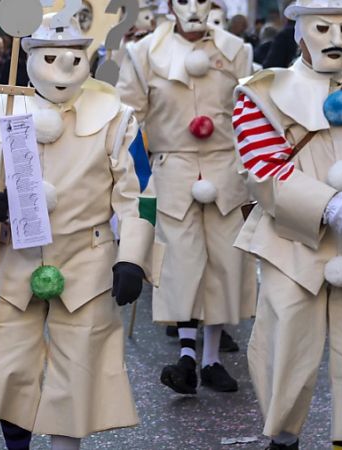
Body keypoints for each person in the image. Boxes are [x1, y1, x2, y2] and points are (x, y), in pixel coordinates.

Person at [0, 11, 155, 449]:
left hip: (88, 261)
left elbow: (138, 194)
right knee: (9, 369)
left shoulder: (117, 118)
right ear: (28, 57)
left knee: (78, 370)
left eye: (74, 56)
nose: (62, 67)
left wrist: (132, 258)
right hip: (14, 258)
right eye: (49, 56)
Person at [233, 0, 342, 447]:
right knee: (284, 363)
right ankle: (283, 441)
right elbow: (261, 171)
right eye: (323, 27)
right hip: (293, 246)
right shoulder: (260, 93)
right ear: (300, 31)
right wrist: (324, 205)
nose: (336, 38)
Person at [117, 0, 256, 395]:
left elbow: (254, 112)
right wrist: (128, 173)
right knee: (180, 264)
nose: (194, 7)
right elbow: (126, 118)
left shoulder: (236, 50)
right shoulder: (143, 53)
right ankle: (186, 356)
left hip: (225, 170)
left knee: (225, 263)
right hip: (172, 170)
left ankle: (211, 358)